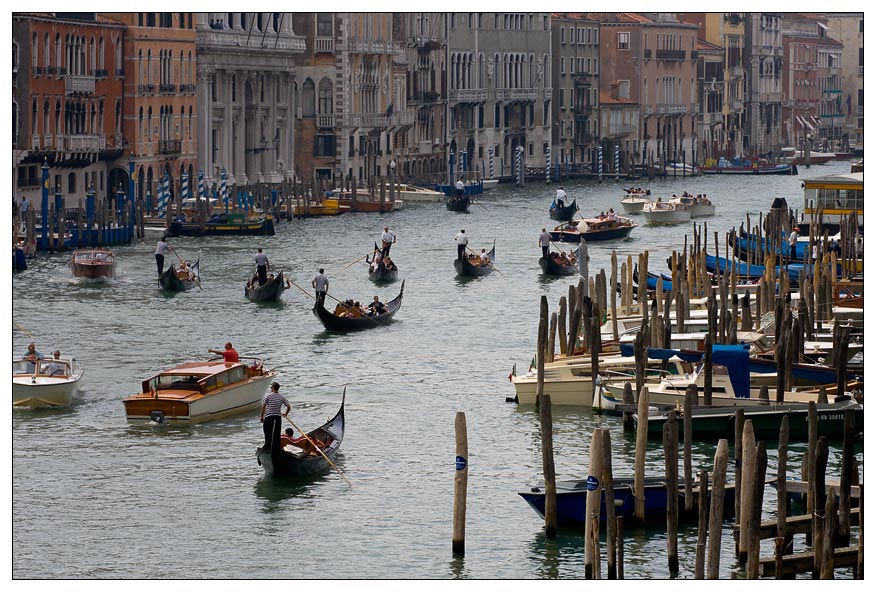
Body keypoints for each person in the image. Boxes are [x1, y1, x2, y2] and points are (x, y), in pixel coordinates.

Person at [260, 381, 291, 451]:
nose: (271, 388)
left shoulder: (267, 396)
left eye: (271, 387)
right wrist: (286, 414)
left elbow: (263, 406)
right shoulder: (282, 397)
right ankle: (276, 449)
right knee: (276, 435)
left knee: (268, 434)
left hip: (269, 417)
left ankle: (268, 448)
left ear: (273, 388)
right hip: (277, 418)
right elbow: (289, 407)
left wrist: (261, 417)